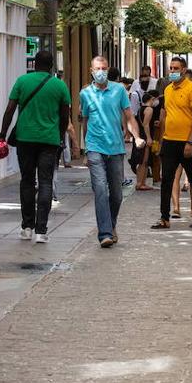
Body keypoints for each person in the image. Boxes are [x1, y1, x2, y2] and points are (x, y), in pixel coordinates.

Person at [0, 50, 71, 243]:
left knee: (27, 181)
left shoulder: (22, 82)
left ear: (33, 64)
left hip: (25, 138)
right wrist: (60, 136)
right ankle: (41, 230)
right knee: (46, 182)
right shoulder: (60, 86)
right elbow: (65, 116)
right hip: (49, 140)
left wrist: (2, 135)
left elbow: (9, 110)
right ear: (52, 65)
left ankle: (27, 227)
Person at [81, 56, 143, 248]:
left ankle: (111, 225)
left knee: (116, 193)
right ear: (91, 70)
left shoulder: (119, 90)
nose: (101, 71)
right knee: (100, 189)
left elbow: (129, 116)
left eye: (104, 68)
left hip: (115, 147)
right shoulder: (85, 94)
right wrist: (85, 149)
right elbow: (85, 121)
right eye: (98, 68)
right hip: (94, 147)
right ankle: (105, 233)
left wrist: (136, 136)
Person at [152, 56, 192, 233]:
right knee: (167, 180)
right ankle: (165, 217)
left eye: (176, 68)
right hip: (170, 141)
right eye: (171, 68)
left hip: (188, 142)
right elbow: (165, 115)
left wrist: (190, 141)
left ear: (184, 70)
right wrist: (161, 138)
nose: (172, 71)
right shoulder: (168, 90)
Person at [134, 90, 161, 191]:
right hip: (145, 137)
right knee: (144, 161)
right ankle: (140, 183)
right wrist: (149, 137)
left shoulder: (140, 109)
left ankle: (142, 182)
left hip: (140, 135)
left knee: (142, 160)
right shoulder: (149, 109)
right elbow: (146, 124)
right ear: (152, 99)